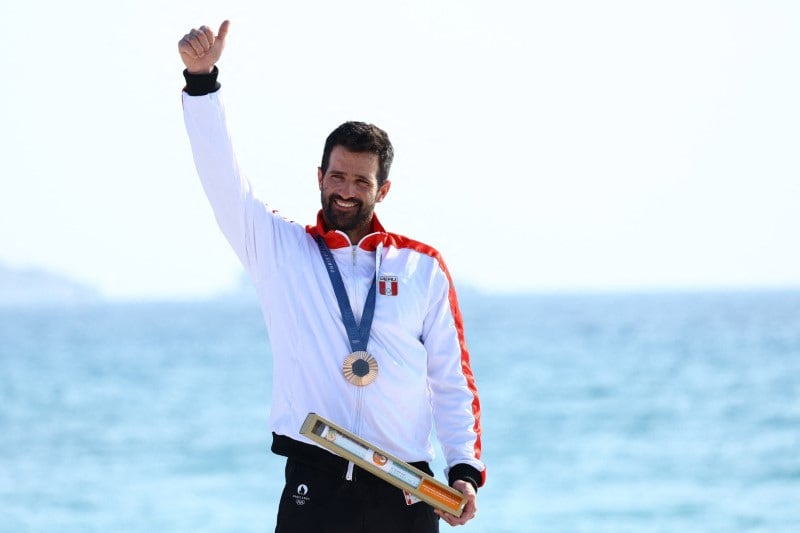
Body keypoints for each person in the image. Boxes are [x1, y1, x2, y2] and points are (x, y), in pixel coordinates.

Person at [178, 20, 485, 531]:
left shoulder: (420, 267)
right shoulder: (281, 251)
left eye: (360, 181)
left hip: (407, 487)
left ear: (382, 189)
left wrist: (464, 469)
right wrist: (201, 82)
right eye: (336, 176)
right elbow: (223, 181)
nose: (345, 190)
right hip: (315, 484)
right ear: (319, 177)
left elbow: (451, 379)